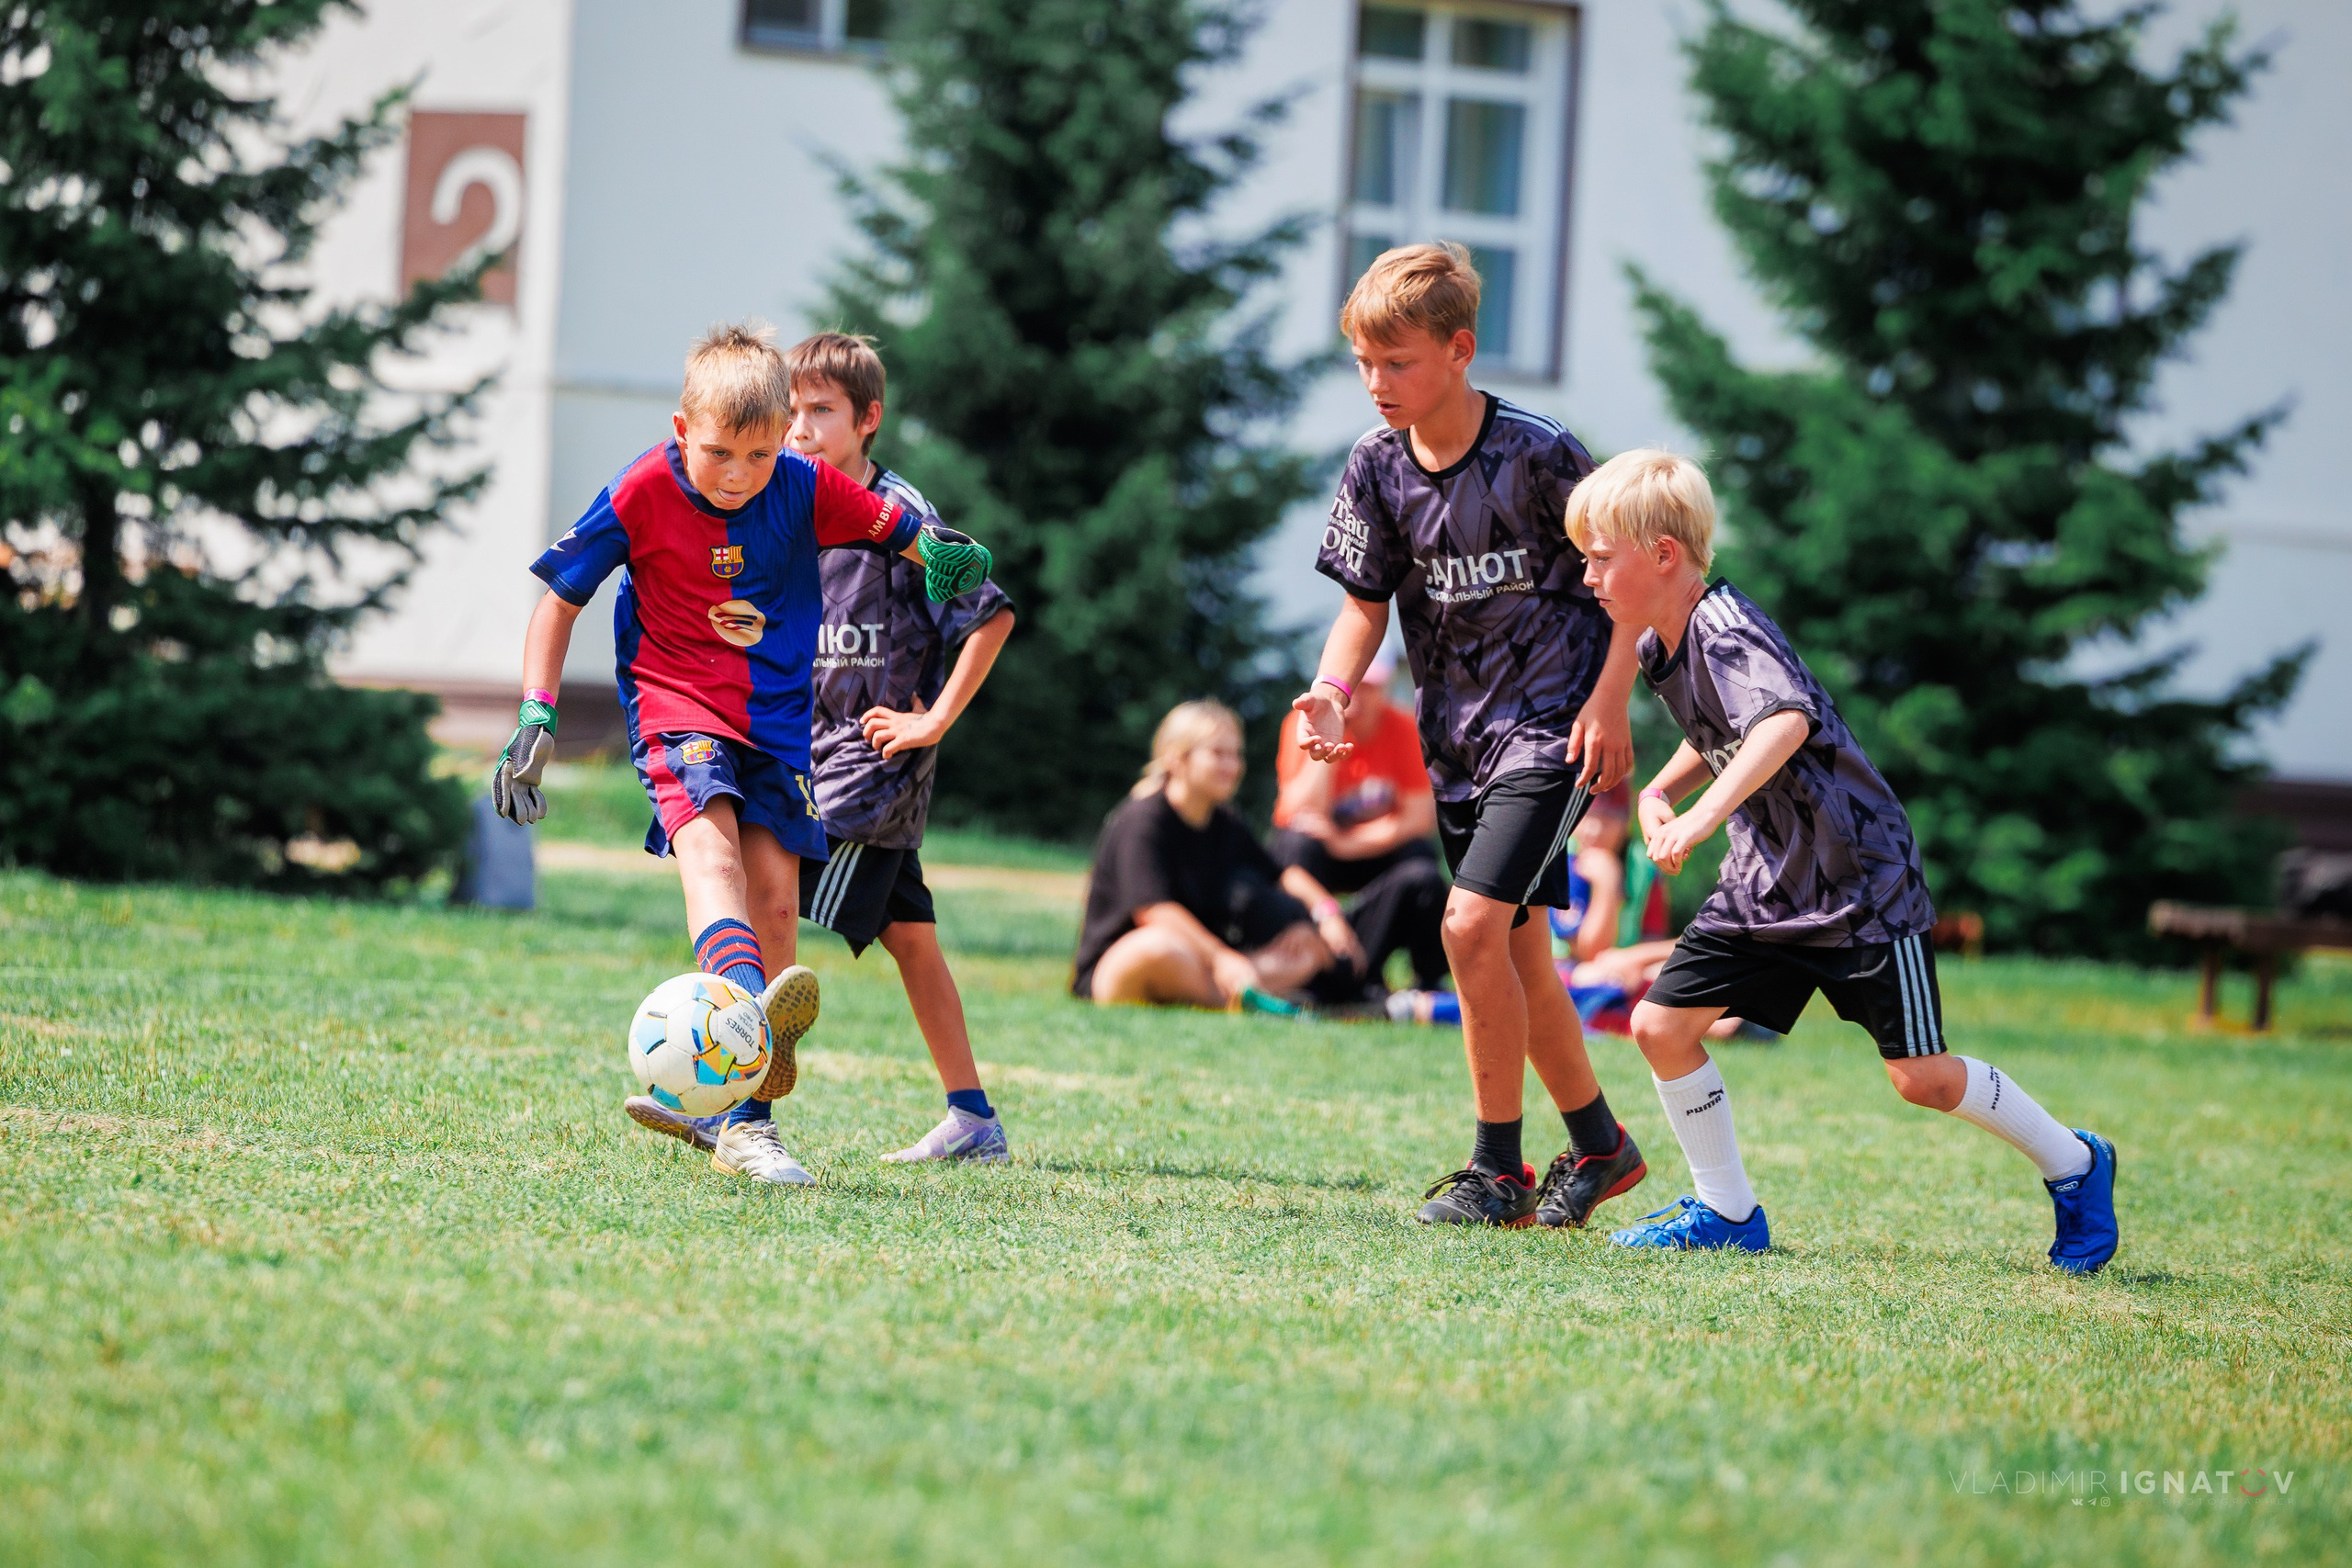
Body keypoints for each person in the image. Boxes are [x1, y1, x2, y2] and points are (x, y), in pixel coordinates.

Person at [1571, 448, 2119, 1272]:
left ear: (1663, 555)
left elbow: (1782, 721)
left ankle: (2076, 1163)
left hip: (1859, 882)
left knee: (1921, 1078)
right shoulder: (1660, 643)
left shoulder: (1725, 627)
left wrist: (1700, 817)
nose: (1587, 576)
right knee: (1659, 1025)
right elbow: (1717, 726)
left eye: (1600, 557)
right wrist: (1660, 788)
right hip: (1767, 881)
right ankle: (1726, 1210)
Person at [491, 321, 998, 1188]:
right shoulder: (643, 489)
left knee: (776, 900)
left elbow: (901, 530)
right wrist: (537, 712)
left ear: (783, 438)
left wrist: (941, 556)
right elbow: (559, 602)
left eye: (761, 454)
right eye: (720, 453)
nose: (739, 475)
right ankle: (742, 1041)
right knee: (715, 859)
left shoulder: (803, 485)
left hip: (776, 725)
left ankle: (739, 1119)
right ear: (682, 430)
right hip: (675, 708)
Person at [1294, 242, 1647, 1232]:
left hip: (1552, 730)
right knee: (1519, 948)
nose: (1377, 383)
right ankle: (1601, 1146)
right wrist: (1332, 691)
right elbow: (1363, 604)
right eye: (1364, 363)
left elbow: (1629, 586)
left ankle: (1497, 1170)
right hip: (1457, 744)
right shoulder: (1375, 466)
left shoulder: (1542, 454)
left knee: (1467, 926)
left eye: (1397, 362)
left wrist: (1610, 703)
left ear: (1460, 351)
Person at [782, 331, 1016, 1164]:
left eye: (821, 411)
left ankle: (735, 1090)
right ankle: (973, 1118)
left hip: (869, 774)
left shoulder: (902, 516)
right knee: (911, 936)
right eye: (791, 411)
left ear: (868, 418)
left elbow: (990, 614)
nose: (800, 428)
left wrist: (933, 720)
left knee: (763, 881)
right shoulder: (789, 503)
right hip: (808, 756)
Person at [1075, 701, 1363, 1013]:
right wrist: (1221, 957)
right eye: (1218, 754)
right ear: (1176, 758)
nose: (1233, 766)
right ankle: (1247, 993)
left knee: (1305, 951)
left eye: (1236, 755)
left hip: (1199, 962)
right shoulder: (1142, 819)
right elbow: (1154, 911)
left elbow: (1280, 874)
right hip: (1124, 967)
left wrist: (1327, 913)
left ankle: (1242, 991)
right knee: (1157, 947)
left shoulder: (1224, 821)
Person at [1270, 652, 1448, 997]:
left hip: (1372, 854)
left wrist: (1343, 843)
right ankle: (1303, 963)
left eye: (1369, 688)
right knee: (1294, 845)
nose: (1357, 699)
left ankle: (1425, 977)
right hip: (1320, 861)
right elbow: (1294, 813)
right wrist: (1328, 743)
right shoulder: (1301, 724)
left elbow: (1418, 821)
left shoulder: (1404, 728)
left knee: (1421, 862)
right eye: (1351, 689)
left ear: (1385, 690)